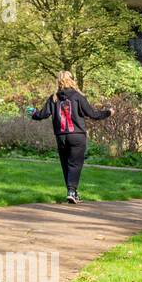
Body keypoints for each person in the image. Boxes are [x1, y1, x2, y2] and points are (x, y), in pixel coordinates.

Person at [29, 71, 113, 204]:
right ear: (72, 80)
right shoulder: (78, 97)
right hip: (77, 136)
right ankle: (72, 191)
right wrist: (108, 112)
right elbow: (92, 114)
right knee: (75, 164)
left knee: (66, 165)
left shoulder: (54, 98)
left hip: (61, 136)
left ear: (59, 81)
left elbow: (42, 114)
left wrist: (33, 113)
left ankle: (72, 192)